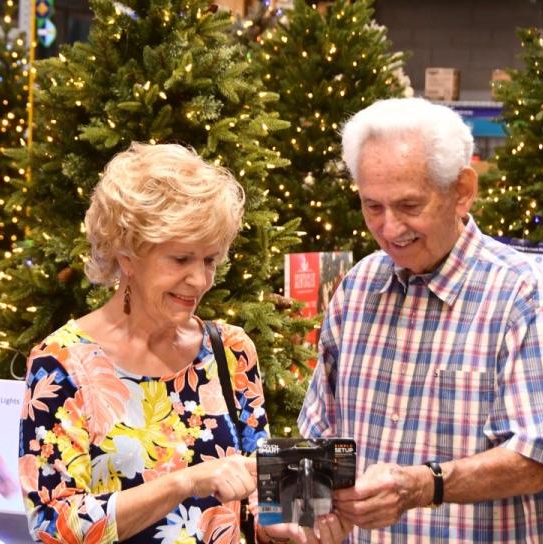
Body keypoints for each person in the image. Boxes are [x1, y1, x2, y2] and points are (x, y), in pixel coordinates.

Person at [19, 143, 347, 544]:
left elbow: (257, 498)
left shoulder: (230, 350)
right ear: (127, 254)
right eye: (180, 259)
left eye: (209, 260)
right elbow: (54, 525)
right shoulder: (63, 364)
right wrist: (184, 482)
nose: (200, 280)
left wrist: (281, 528)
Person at [298, 98, 543, 543]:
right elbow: (319, 430)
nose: (390, 229)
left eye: (410, 205)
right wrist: (307, 518)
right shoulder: (356, 289)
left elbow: (536, 458)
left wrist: (424, 485)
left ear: (462, 190)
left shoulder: (522, 296)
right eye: (373, 207)